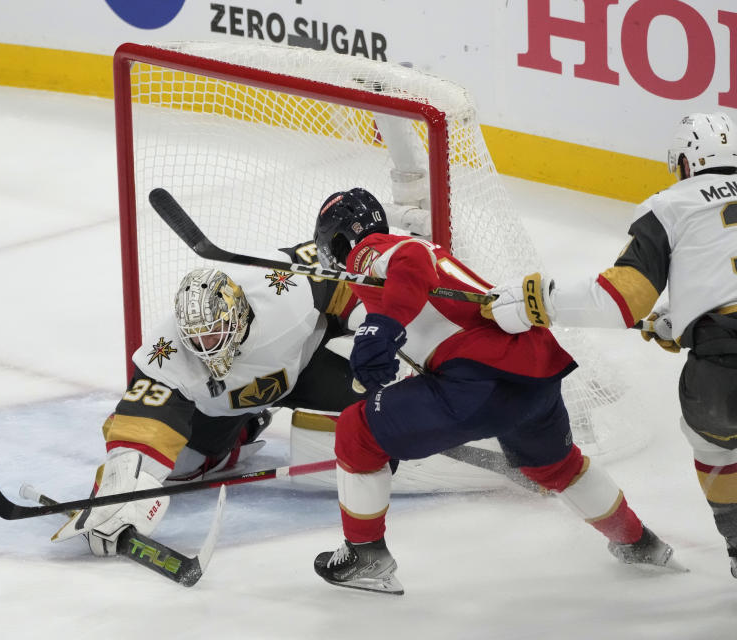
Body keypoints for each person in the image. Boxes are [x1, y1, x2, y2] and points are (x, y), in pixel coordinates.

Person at [310, 187, 680, 595]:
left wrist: (384, 327)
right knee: (558, 467)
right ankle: (640, 544)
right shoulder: (413, 257)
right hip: (535, 372)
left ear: (339, 242)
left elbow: (409, 264)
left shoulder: (370, 250)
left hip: (480, 379)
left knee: (355, 430)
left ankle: (365, 556)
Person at [484, 112, 737, 579]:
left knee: (718, 446)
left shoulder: (672, 205)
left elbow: (621, 300)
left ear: (686, 162)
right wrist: (683, 320)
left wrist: (537, 300)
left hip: (723, 374)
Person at [51, 242, 366, 554]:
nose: (205, 346)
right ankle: (243, 429)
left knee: (380, 384)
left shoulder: (286, 289)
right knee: (179, 468)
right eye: (196, 336)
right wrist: (115, 495)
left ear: (236, 313)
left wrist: (377, 320)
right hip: (223, 408)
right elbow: (139, 432)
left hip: (308, 365)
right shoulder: (168, 349)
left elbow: (348, 278)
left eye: (213, 332)